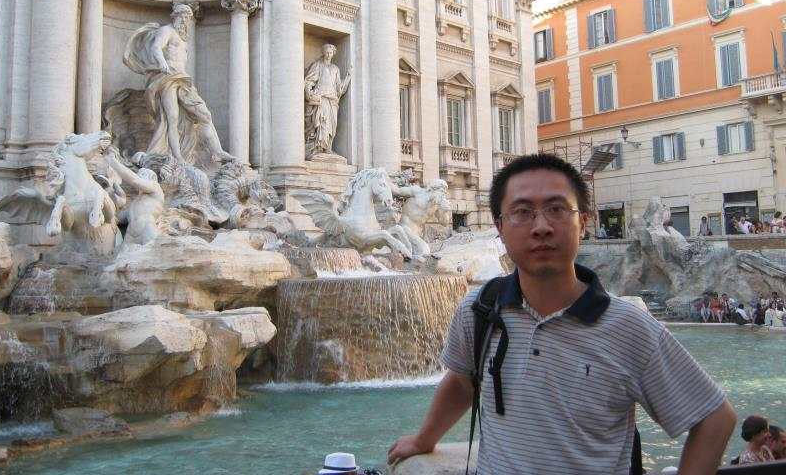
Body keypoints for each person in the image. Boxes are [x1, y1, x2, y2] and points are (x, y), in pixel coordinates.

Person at [388, 153, 736, 475]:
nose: (541, 226)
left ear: (583, 222)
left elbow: (715, 418)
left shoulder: (629, 328)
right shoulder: (479, 311)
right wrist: (424, 440)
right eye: (522, 212)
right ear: (500, 227)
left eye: (556, 209)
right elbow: (463, 382)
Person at [123, 3, 233, 165]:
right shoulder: (166, 31)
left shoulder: (183, 38)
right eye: (183, 17)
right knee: (171, 118)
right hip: (167, 78)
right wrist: (162, 63)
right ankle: (178, 157)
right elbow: (156, 47)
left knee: (204, 114)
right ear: (175, 16)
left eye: (187, 18)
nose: (185, 21)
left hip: (183, 79)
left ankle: (217, 151)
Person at [304, 44, 352, 160]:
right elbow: (309, 81)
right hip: (322, 98)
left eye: (330, 53)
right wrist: (309, 93)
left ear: (333, 54)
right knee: (322, 122)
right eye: (326, 52)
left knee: (331, 125)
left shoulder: (335, 69)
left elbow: (339, 88)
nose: (328, 54)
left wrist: (348, 77)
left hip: (332, 100)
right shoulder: (317, 65)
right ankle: (318, 147)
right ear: (323, 52)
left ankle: (328, 148)